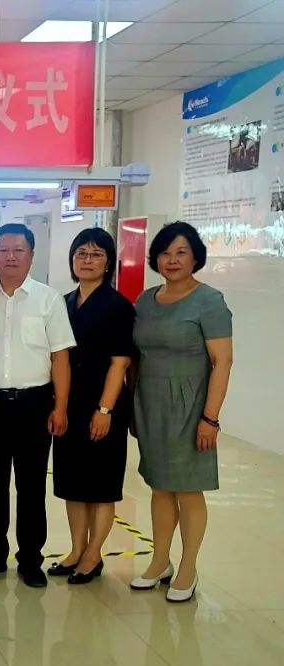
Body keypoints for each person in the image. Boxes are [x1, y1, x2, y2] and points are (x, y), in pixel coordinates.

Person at [129, 222, 233, 603]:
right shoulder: (145, 301)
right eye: (165, 253)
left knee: (188, 489)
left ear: (195, 258)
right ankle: (160, 561)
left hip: (191, 406)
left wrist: (210, 418)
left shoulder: (209, 300)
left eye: (181, 252)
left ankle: (188, 567)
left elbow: (222, 362)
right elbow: (136, 357)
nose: (172, 260)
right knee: (160, 486)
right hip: (150, 402)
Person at [0, 223, 76, 589]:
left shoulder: (49, 300)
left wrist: (60, 408)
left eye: (18, 250)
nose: (10, 257)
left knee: (31, 487)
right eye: (3, 250)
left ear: (31, 255)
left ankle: (30, 560)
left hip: (35, 405)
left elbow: (60, 358)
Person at [48, 228, 135, 585]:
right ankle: (76, 549)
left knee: (100, 484)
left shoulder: (118, 306)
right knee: (73, 482)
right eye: (81, 253)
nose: (87, 260)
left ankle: (94, 554)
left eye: (96, 254)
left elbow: (120, 362)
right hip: (69, 403)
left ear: (109, 262)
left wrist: (104, 411)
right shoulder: (63, 303)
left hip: (103, 404)